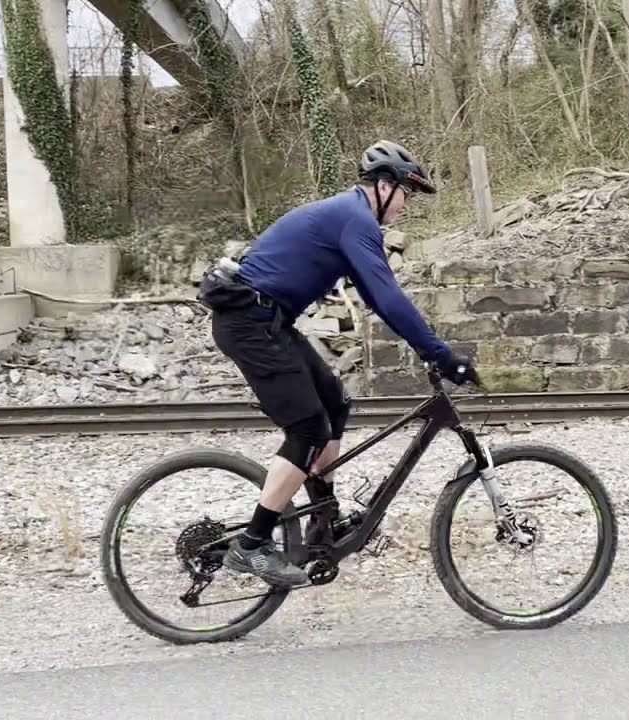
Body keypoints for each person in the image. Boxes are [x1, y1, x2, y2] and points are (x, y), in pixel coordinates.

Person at [197, 140, 479, 587]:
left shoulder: (349, 218)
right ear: (384, 186)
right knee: (309, 428)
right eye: (406, 193)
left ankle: (322, 519)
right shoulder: (355, 219)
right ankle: (252, 545)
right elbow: (388, 297)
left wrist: (428, 348)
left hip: (268, 321)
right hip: (250, 324)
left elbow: (376, 296)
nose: (406, 205)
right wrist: (440, 355)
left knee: (334, 403)